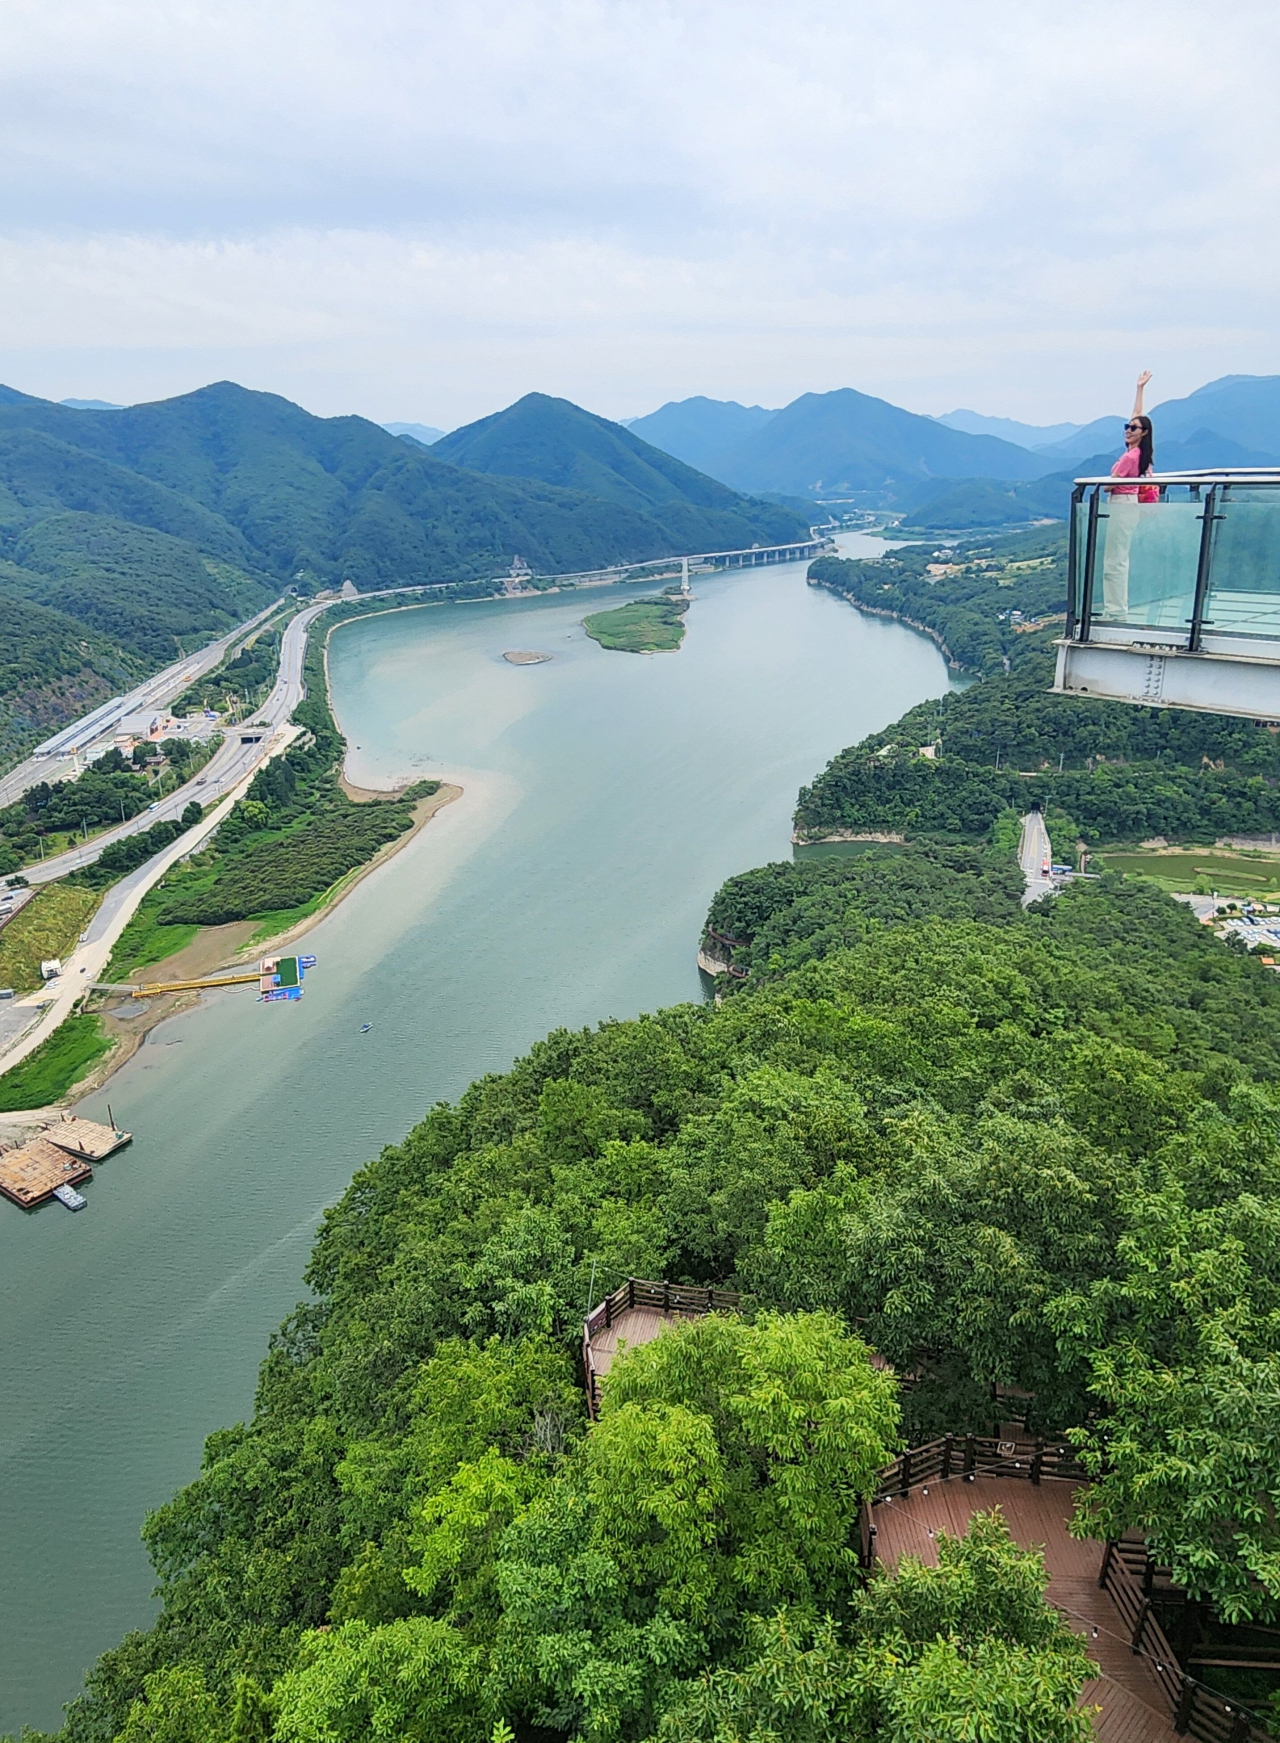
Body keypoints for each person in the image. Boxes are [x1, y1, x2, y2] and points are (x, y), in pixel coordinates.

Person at [1101, 372, 1156, 617]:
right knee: (1119, 556)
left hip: (1121, 504)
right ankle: (1117, 608)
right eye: (1127, 427)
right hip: (1130, 504)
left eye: (1133, 428)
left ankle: (1116, 611)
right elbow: (1138, 417)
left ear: (1143, 432)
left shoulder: (1130, 457)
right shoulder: (1140, 452)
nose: (1128, 429)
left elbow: (1108, 486)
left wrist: (1111, 479)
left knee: (1115, 560)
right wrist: (1140, 389)